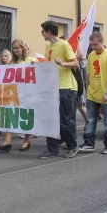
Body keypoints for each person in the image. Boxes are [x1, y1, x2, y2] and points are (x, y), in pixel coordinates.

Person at [38, 21, 79, 159]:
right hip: (51, 87)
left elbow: (75, 63)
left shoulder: (64, 44)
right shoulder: (48, 45)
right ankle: (52, 149)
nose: (41, 33)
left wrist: (63, 63)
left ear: (49, 31)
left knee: (63, 119)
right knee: (50, 119)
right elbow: (49, 65)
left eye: (43, 31)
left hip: (63, 86)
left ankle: (72, 145)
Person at [79, 31, 107, 155]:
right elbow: (89, 74)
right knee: (91, 120)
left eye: (95, 44)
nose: (93, 47)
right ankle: (89, 143)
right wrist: (87, 88)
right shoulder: (91, 55)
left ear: (102, 42)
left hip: (106, 95)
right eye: (91, 45)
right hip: (93, 93)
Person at [0, 39, 35, 152]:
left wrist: (35, 65)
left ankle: (27, 141)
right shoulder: (11, 63)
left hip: (27, 93)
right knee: (10, 115)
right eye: (13, 48)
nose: (15, 50)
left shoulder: (31, 60)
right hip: (14, 94)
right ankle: (8, 141)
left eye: (17, 47)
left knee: (26, 116)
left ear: (22, 48)